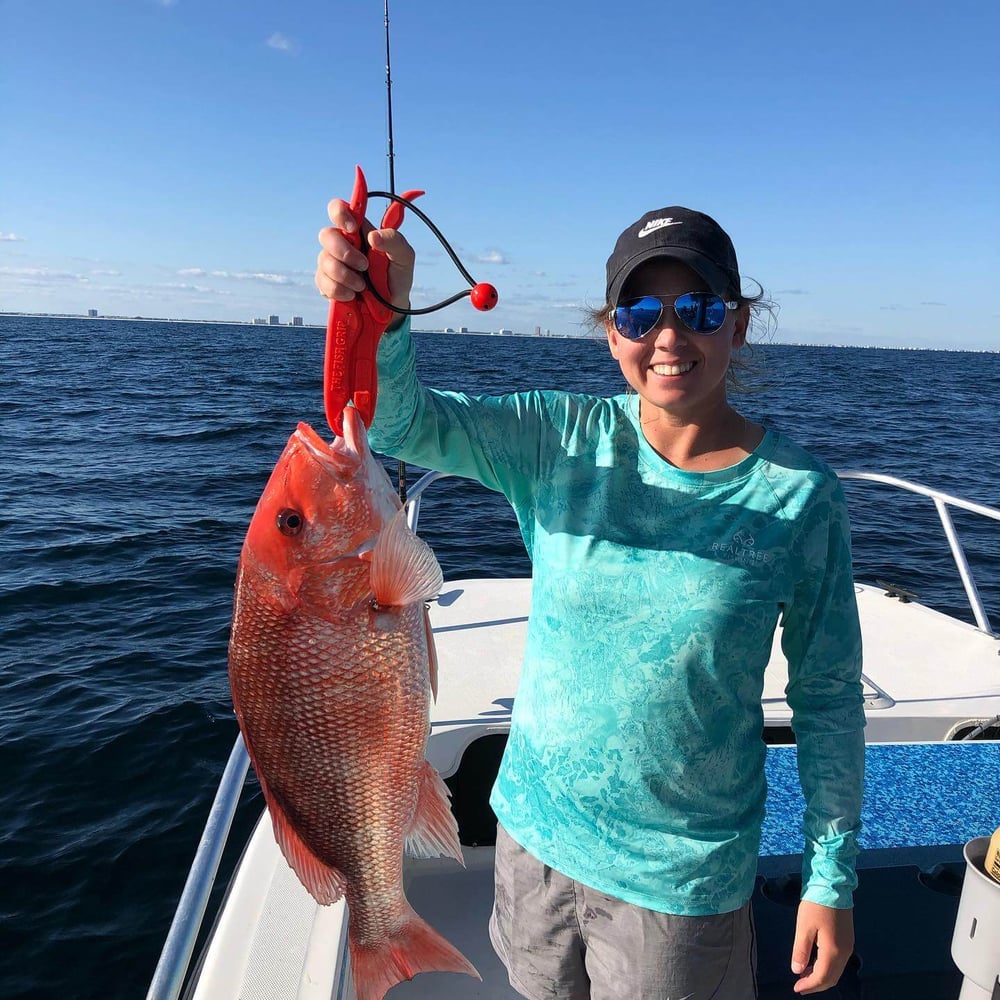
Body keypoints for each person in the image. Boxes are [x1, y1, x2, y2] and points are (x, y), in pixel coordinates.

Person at [315, 198, 865, 999]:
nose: (669, 336)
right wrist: (383, 312)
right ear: (613, 333)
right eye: (641, 313)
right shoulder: (557, 438)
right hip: (533, 843)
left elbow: (828, 698)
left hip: (679, 885)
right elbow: (394, 423)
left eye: (699, 309)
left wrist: (831, 879)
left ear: (737, 326)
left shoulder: (799, 496)